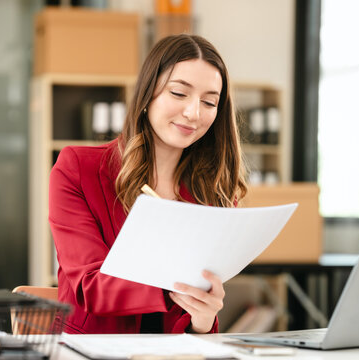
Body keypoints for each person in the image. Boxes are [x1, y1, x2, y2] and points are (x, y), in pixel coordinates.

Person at [49, 34, 247, 334]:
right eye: (179, 93)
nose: (194, 113)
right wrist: (176, 287)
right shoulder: (78, 169)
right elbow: (89, 286)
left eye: (209, 102)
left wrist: (204, 321)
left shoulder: (215, 193)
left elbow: (195, 320)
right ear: (147, 94)